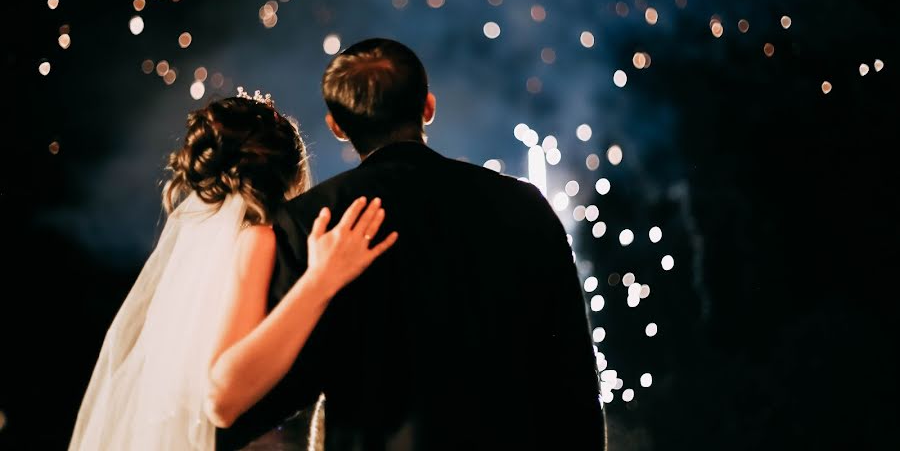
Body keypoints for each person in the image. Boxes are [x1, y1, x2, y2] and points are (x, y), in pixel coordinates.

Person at [222, 40, 606, 450]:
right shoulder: (526, 205)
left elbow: (264, 396)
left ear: (336, 125)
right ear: (427, 106)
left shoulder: (310, 224)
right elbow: (574, 379)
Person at [69, 90, 396, 451]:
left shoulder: (196, 254)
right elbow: (222, 400)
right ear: (290, 176)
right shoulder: (257, 239)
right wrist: (321, 280)